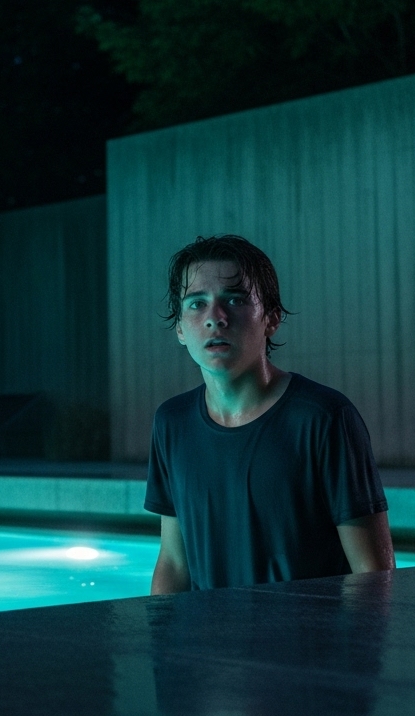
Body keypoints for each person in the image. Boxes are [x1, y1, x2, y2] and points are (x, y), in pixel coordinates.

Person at [146, 235, 394, 593]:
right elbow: (173, 561)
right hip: (202, 647)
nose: (216, 318)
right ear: (181, 329)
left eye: (235, 299)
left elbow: (372, 575)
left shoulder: (324, 418)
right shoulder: (172, 422)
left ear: (272, 319)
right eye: (197, 303)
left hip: (302, 647)